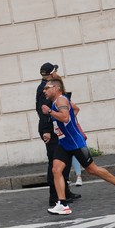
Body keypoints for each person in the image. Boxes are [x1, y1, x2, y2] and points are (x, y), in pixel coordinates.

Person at [41, 79, 115, 214]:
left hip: (75, 142)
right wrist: (70, 124)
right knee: (56, 170)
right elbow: (75, 110)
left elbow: (65, 118)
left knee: (92, 169)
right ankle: (62, 204)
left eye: (46, 88)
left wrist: (50, 113)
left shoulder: (60, 100)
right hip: (64, 143)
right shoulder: (59, 101)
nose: (44, 91)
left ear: (55, 87)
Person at [35, 62, 81, 207]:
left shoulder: (53, 85)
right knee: (54, 163)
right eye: (56, 71)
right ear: (52, 73)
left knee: (64, 162)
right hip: (52, 130)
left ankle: (65, 191)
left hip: (58, 129)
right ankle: (54, 196)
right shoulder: (45, 88)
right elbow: (43, 111)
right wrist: (47, 131)